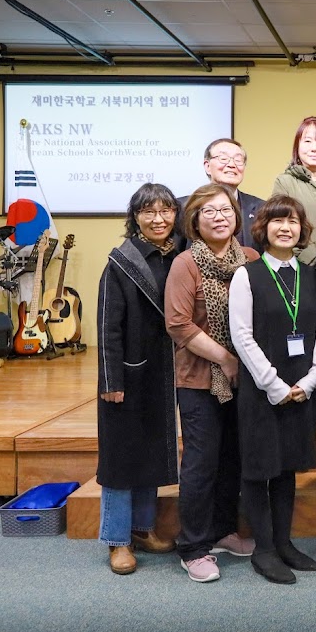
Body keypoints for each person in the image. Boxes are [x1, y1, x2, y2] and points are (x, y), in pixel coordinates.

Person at [229, 195, 316, 584]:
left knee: (287, 468)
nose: (285, 227)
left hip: (301, 389)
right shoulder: (247, 274)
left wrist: (310, 380)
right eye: (277, 221)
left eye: (292, 221)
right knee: (258, 469)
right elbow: (241, 335)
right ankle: (265, 550)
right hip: (262, 389)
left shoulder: (311, 274)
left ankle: (285, 542)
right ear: (263, 228)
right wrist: (274, 385)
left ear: (302, 230)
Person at [165, 183, 259, 583]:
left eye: (226, 210)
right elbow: (178, 324)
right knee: (202, 464)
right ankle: (193, 546)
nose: (219, 217)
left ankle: (222, 531)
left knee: (233, 459)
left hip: (247, 380)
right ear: (196, 221)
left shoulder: (252, 258)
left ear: (237, 217)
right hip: (199, 379)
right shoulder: (186, 263)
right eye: (210, 212)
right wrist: (226, 358)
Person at [97, 184, 182, 575]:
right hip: (129, 374)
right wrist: (112, 380)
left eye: (166, 210)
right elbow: (106, 327)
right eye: (149, 212)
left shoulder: (183, 254)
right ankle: (117, 540)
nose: (159, 219)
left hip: (166, 371)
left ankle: (144, 529)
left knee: (153, 449)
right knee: (121, 457)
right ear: (135, 218)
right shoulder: (120, 262)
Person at [271, 116, 316, 267]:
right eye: (307, 141)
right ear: (297, 146)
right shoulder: (285, 182)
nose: (314, 148)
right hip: (299, 265)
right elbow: (279, 226)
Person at [187, 138, 264, 253]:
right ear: (207, 166)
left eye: (238, 160)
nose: (232, 164)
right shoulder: (184, 207)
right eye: (223, 159)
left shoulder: (261, 208)